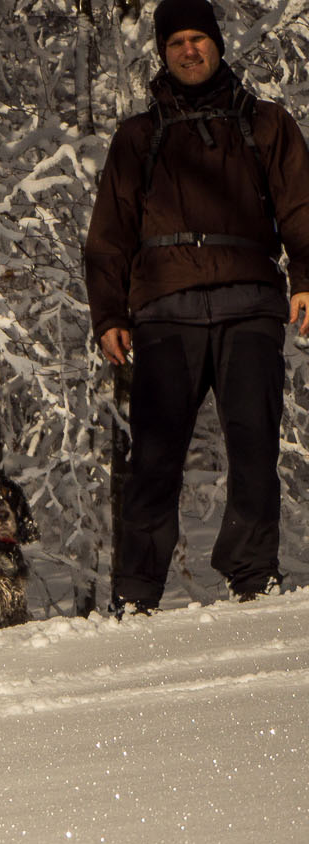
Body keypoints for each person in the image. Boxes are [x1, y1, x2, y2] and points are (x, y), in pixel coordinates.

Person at [84, 0, 309, 613]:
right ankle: (136, 593)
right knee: (153, 456)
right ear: (163, 52)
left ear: (218, 44)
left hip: (249, 305)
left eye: (198, 38)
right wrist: (109, 314)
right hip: (163, 309)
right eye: (177, 40)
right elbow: (109, 235)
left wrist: (304, 277)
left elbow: (299, 208)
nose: (189, 49)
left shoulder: (266, 124)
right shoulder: (137, 137)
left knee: (254, 443)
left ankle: (253, 575)